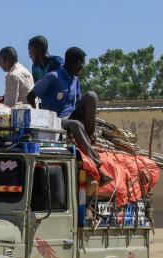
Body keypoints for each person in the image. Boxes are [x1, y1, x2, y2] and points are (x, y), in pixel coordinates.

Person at [27, 47, 111, 185]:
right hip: (56, 120)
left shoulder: (75, 79)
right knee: (75, 124)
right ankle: (96, 162)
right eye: (81, 64)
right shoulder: (53, 77)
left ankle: (89, 135)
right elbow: (31, 96)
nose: (82, 67)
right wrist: (39, 116)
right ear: (72, 62)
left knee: (91, 96)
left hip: (71, 115)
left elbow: (78, 102)